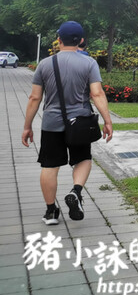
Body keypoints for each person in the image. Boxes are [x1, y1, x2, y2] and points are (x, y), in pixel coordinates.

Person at [22, 21, 114, 225]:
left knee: (49, 165)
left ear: (58, 39)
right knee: (83, 158)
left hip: (51, 123)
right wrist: (107, 121)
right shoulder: (89, 63)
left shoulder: (45, 64)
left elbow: (34, 98)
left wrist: (27, 126)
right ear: (81, 40)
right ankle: (76, 191)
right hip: (80, 123)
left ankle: (51, 212)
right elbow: (96, 93)